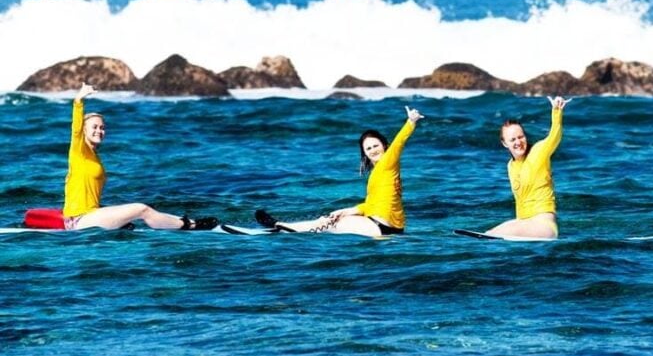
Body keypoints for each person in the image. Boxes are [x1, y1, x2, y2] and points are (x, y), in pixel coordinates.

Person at [62, 83, 218, 231]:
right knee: (141, 209)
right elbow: (75, 129)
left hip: (91, 214)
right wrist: (78, 100)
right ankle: (188, 226)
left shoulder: (94, 156)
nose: (99, 131)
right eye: (94, 127)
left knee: (141, 211)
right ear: (83, 131)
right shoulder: (78, 150)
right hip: (79, 220)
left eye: (102, 128)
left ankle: (189, 221)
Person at [255, 105, 424, 237]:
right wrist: (347, 210)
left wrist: (410, 123)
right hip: (388, 228)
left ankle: (282, 227)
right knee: (334, 219)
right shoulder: (380, 172)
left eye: (375, 145)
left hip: (382, 228)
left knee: (333, 224)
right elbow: (374, 204)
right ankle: (285, 226)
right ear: (364, 153)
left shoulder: (388, 161)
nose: (373, 150)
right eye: (368, 148)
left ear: (384, 146)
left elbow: (398, 144)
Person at [481, 96, 570, 239]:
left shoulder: (538, 152)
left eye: (520, 137)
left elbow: (555, 136)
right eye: (513, 139)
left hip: (544, 226)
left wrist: (557, 112)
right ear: (505, 144)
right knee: (493, 232)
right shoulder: (511, 166)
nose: (518, 142)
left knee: (496, 232)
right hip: (524, 225)